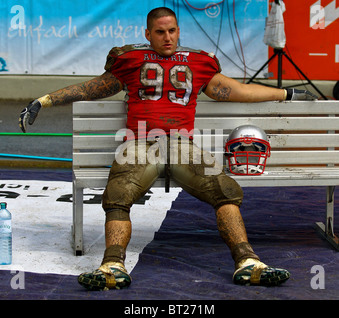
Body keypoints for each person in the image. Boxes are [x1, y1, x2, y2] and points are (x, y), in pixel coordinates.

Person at [19, 7, 317, 290]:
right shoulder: (131, 59)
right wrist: (44, 100)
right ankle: (112, 267)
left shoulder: (199, 62)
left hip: (180, 144)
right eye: (161, 32)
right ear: (148, 34)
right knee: (118, 195)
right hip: (140, 142)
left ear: (178, 31)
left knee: (225, 189)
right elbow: (93, 87)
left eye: (173, 31)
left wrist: (286, 92)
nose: (168, 38)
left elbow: (236, 90)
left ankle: (248, 262)